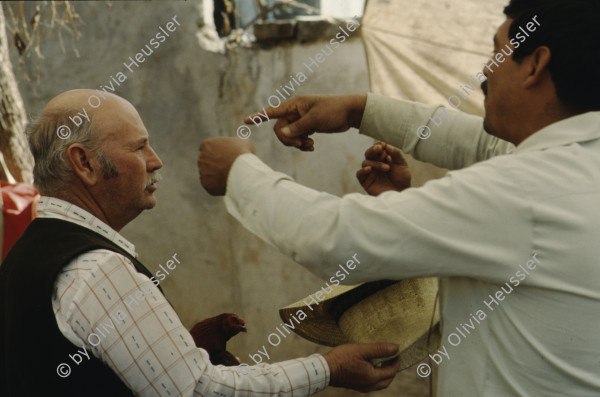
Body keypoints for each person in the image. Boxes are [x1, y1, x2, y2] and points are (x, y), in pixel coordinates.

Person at [197, 0, 600, 395]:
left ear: (536, 63)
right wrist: (357, 111)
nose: (484, 72)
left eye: (497, 53)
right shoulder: (578, 162)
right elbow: (476, 142)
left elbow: (340, 237)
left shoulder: (525, 189)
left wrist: (238, 172)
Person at [0, 89, 401, 397]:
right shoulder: (95, 269)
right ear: (84, 163)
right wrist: (328, 369)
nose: (156, 160)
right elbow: (195, 389)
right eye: (139, 147)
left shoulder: (27, 256)